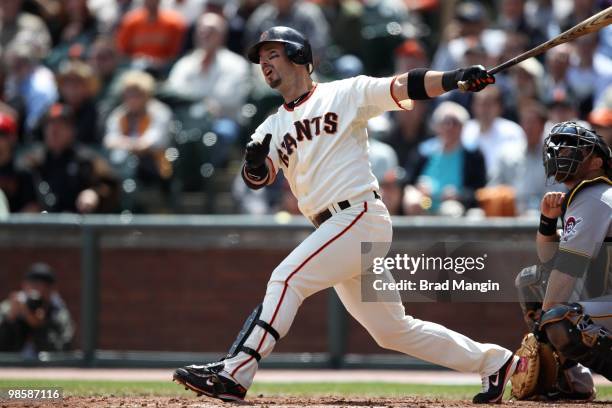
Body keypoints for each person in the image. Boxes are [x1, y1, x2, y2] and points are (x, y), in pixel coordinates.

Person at [173, 26, 519, 404]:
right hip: (336, 231)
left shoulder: (344, 92)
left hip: (357, 215)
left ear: (299, 57)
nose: (265, 64)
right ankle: (495, 362)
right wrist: (254, 163)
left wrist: (455, 78)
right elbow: (258, 178)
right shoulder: (271, 125)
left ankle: (235, 372)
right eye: (261, 59)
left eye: (273, 54)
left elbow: (405, 85)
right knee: (393, 331)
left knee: (287, 278)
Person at [511, 121, 611, 400]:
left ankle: (569, 377)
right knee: (533, 281)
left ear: (598, 162)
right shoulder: (586, 197)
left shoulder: (595, 196)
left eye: (573, 149)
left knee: (559, 318)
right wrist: (547, 222)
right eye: (560, 147)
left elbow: (566, 271)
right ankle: (573, 382)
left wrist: (543, 333)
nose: (561, 152)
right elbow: (549, 263)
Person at [20, 103, 119, 213]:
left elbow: (110, 184)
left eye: (61, 125)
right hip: (42, 225)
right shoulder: (32, 161)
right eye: (49, 125)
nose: (54, 131)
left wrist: (94, 193)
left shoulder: (87, 159)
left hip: (77, 224)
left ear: (72, 130)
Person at [404, 101, 486, 215]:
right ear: (437, 126)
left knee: (450, 210)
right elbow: (409, 181)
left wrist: (459, 195)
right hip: (425, 202)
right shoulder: (423, 151)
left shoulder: (473, 156)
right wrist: (419, 188)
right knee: (413, 200)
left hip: (454, 205)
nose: (449, 127)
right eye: (445, 122)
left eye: (455, 123)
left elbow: (479, 191)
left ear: (463, 127)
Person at [0, 263, 74, 357]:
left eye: (46, 286)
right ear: (24, 285)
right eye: (34, 284)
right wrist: (9, 321)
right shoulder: (10, 307)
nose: (40, 290)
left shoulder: (58, 312)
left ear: (53, 289)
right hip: (10, 369)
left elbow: (62, 350)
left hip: (46, 370)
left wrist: (40, 326)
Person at [115, 0, 187, 76]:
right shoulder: (131, 21)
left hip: (163, 71)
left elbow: (175, 54)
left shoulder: (174, 23)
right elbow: (122, 51)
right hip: (134, 69)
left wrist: (159, 62)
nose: (151, 2)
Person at [0, 112, 37, 212]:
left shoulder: (23, 170)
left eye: (1, 134)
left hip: (17, 225)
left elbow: (32, 207)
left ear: (12, 138)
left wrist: (10, 225)